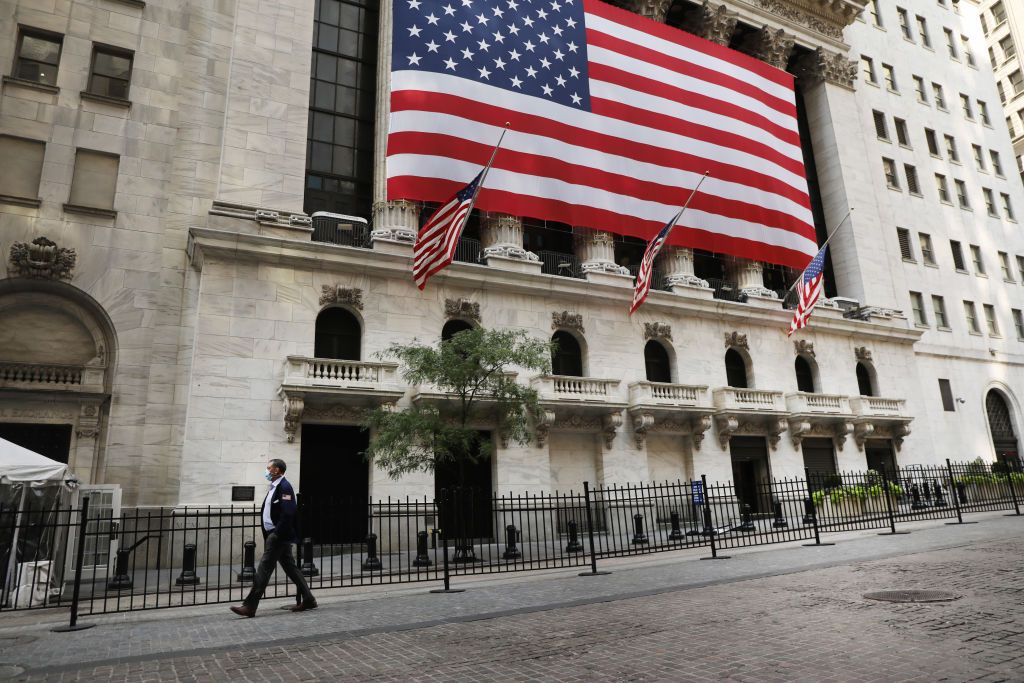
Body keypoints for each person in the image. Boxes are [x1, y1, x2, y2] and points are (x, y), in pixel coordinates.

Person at [230, 459, 317, 617]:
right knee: (290, 567)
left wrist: (276, 533)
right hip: (274, 534)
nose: (266, 471)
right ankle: (309, 598)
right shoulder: (274, 487)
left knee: (263, 570)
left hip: (278, 536)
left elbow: (288, 513)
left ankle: (250, 606)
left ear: (277, 470)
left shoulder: (285, 487)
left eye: (268, 468)